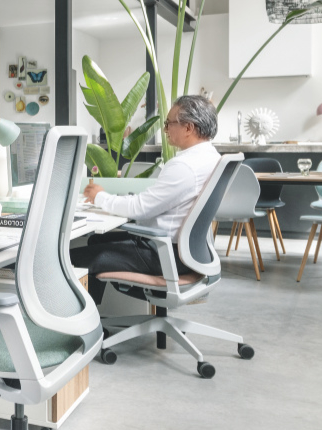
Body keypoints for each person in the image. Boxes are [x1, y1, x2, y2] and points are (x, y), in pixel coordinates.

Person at [72, 95, 222, 304]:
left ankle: (86, 330)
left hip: (165, 256)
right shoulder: (211, 157)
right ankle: (95, 322)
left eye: (169, 123)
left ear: (188, 128)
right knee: (97, 241)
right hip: (190, 254)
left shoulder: (185, 166)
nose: (165, 129)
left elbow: (140, 209)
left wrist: (99, 197)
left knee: (74, 260)